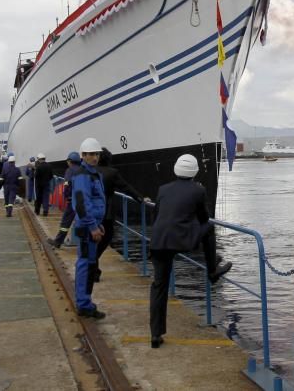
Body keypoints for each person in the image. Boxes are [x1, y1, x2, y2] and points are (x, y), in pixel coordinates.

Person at [148, 155, 232, 348]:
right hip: (180, 240)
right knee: (209, 228)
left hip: (159, 241)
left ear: (176, 170)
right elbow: (205, 217)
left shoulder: (163, 189)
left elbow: (157, 214)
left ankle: (155, 334)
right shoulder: (199, 190)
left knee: (159, 287)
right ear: (194, 172)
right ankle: (212, 270)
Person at [92, 147, 141, 282]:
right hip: (106, 213)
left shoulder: (90, 172)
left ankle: (93, 271)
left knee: (92, 242)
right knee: (107, 238)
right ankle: (93, 268)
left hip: (92, 212)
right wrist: (141, 198)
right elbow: (126, 187)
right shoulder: (112, 172)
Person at [72, 138, 107, 319]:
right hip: (87, 228)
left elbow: (94, 202)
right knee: (85, 264)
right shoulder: (83, 176)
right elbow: (81, 204)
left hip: (92, 225)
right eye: (90, 154)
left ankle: (84, 301)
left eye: (96, 154)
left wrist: (98, 223)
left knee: (89, 264)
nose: (94, 157)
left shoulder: (94, 174)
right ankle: (84, 304)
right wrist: (93, 226)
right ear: (83, 156)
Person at [49, 152, 83, 248]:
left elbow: (67, 185)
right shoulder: (82, 169)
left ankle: (58, 242)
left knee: (65, 222)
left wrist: (67, 196)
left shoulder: (69, 170)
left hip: (72, 200)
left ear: (70, 161)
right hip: (83, 200)